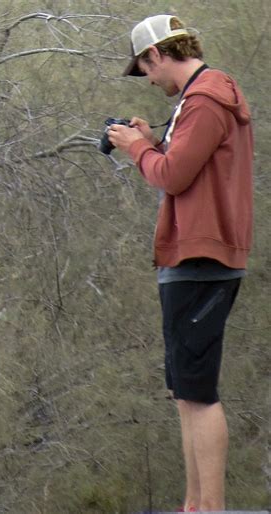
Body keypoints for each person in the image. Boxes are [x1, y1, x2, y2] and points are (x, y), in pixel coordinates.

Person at [107, 14, 253, 512]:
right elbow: (188, 164)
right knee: (186, 392)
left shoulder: (206, 100)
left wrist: (138, 149)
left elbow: (172, 176)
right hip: (192, 259)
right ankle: (194, 505)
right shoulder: (197, 102)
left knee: (200, 392)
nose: (148, 79)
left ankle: (208, 507)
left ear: (158, 55)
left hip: (201, 259)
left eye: (145, 68)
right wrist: (153, 138)